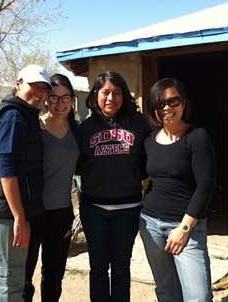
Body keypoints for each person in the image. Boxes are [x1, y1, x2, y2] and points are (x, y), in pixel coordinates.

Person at [76, 71, 152, 302]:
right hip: (94, 209)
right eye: (105, 92)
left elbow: (153, 158)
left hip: (128, 209)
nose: (111, 98)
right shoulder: (85, 129)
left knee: (121, 267)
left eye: (117, 93)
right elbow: (70, 162)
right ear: (95, 95)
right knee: (97, 267)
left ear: (125, 96)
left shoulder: (139, 125)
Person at [0, 64, 52, 301]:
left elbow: (7, 162)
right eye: (33, 86)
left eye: (44, 89)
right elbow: (9, 172)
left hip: (5, 209)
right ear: (18, 83)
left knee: (0, 279)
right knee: (8, 282)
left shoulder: (24, 115)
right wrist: (19, 217)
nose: (39, 93)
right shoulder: (14, 116)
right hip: (7, 214)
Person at [139, 78, 215, 302]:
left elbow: (205, 185)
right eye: (160, 103)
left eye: (173, 101)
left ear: (184, 104)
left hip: (186, 228)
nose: (167, 108)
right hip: (150, 224)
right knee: (167, 292)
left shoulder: (197, 137)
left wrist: (184, 228)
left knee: (198, 296)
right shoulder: (149, 141)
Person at [23, 73, 80, 302]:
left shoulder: (78, 131)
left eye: (65, 98)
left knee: (54, 275)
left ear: (72, 100)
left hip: (62, 213)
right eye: (54, 97)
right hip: (33, 212)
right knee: (24, 275)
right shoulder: (34, 126)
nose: (60, 103)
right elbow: (13, 158)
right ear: (46, 98)